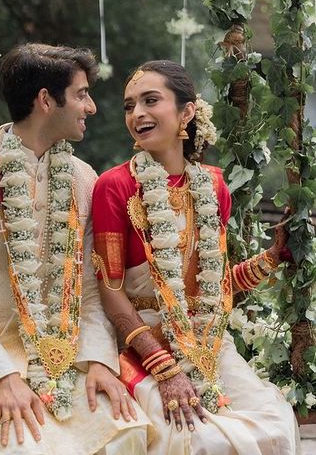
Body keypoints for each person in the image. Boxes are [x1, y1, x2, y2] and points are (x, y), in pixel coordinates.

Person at [0, 43, 152, 455]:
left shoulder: (81, 178)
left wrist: (98, 362)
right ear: (45, 100)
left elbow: (90, 291)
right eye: (81, 94)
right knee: (25, 446)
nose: (90, 107)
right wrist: (1, 376)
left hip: (64, 352)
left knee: (128, 431)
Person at [92, 60, 301, 455]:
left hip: (206, 342)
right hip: (141, 346)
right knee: (197, 440)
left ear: (186, 112)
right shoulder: (114, 186)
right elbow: (111, 291)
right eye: (129, 105)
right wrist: (164, 369)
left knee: (275, 423)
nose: (137, 114)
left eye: (151, 100)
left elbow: (214, 285)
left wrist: (272, 257)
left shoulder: (214, 186)